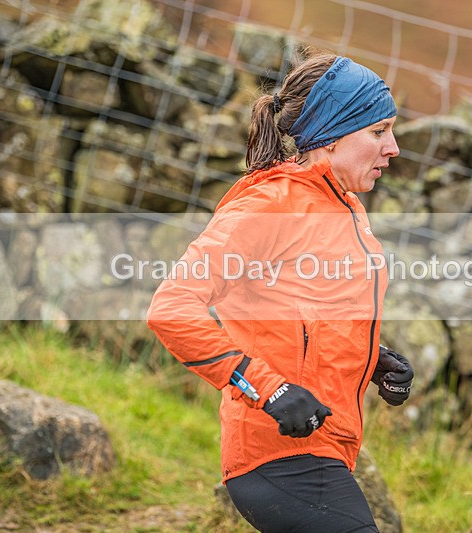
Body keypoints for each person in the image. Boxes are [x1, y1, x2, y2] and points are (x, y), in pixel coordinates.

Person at [147, 52, 414, 532]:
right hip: (279, 457)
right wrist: (264, 387)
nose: (393, 148)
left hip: (327, 448)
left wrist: (372, 358)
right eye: (378, 132)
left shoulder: (344, 206)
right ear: (331, 136)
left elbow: (302, 315)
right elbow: (172, 307)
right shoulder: (271, 205)